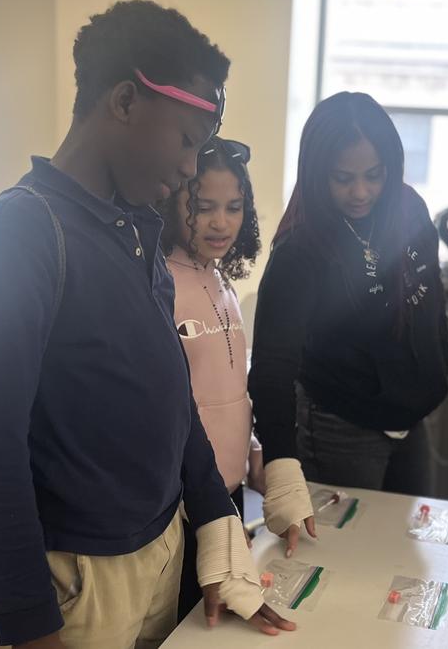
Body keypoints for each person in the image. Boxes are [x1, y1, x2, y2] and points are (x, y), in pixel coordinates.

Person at [0, 0, 293, 649]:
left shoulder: (136, 230)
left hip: (159, 551)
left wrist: (217, 536)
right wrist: (28, 625)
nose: (193, 168)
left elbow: (173, 402)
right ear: (126, 101)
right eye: (188, 140)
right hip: (76, 578)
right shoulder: (19, 235)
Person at [248, 92, 448, 556]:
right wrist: (281, 463)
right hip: (341, 425)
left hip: (409, 419)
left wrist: (432, 378)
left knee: (404, 551)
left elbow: (431, 303)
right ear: (318, 173)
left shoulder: (409, 211)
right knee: (342, 559)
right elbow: (274, 366)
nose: (360, 192)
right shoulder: (301, 247)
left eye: (373, 175)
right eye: (343, 178)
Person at [154, 136, 267, 614]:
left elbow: (232, 387)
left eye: (233, 207)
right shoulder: (161, 284)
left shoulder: (222, 281)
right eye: (202, 207)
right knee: (183, 619)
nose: (221, 222)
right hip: (183, 495)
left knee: (217, 616)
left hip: (229, 488)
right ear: (173, 204)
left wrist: (255, 450)